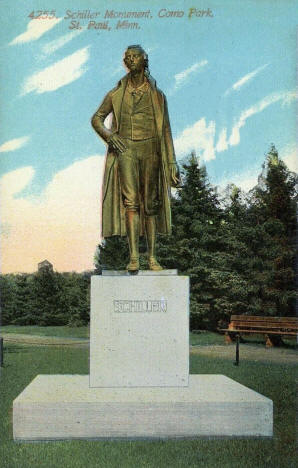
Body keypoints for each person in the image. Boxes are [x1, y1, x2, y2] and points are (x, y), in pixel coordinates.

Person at [91, 44, 179, 272]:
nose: (130, 60)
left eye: (134, 56)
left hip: (151, 150)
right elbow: (97, 119)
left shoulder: (158, 96)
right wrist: (110, 136)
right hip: (126, 150)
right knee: (131, 204)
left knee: (150, 205)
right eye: (127, 57)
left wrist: (171, 162)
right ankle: (133, 257)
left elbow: (166, 131)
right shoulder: (116, 94)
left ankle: (151, 257)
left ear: (144, 59)